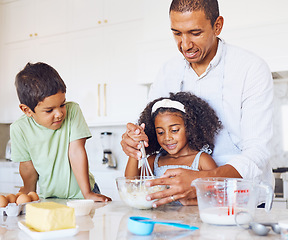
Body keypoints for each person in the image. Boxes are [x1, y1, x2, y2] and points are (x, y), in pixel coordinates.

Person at [121, 0, 273, 207]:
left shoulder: (250, 69)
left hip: (241, 198)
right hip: (184, 203)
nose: (185, 45)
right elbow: (153, 133)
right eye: (177, 33)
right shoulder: (168, 71)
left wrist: (204, 181)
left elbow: (257, 152)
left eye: (195, 33)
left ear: (217, 25)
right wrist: (135, 140)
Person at [10, 62, 111, 202]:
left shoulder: (73, 111)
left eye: (62, 104)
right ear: (27, 110)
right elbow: (27, 167)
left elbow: (76, 151)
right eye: (49, 110)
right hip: (50, 198)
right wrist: (29, 195)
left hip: (82, 195)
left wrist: (87, 193)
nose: (59, 114)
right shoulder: (19, 128)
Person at [125, 92, 221, 199]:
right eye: (160, 132)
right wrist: (135, 149)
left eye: (174, 130)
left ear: (190, 128)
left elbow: (217, 193)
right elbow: (131, 184)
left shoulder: (202, 160)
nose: (167, 138)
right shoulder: (154, 161)